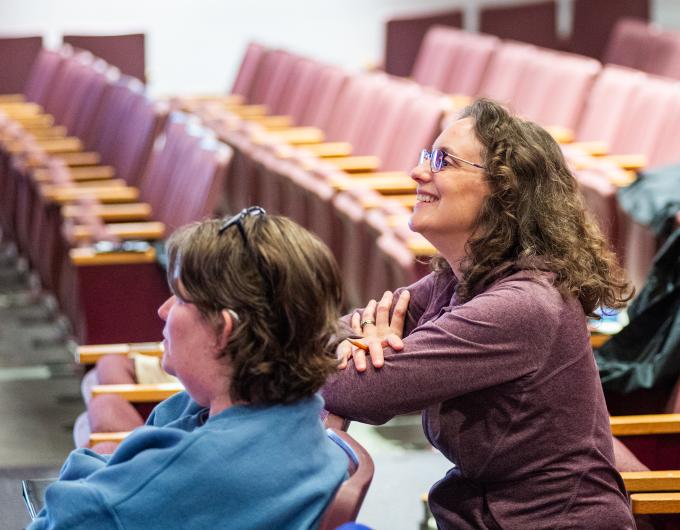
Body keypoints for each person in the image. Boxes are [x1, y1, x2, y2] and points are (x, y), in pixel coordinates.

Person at [323, 99, 636, 529]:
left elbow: (355, 392)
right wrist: (358, 344)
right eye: (425, 157)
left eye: (442, 161)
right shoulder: (458, 280)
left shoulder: (520, 306)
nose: (418, 173)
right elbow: (335, 333)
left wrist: (364, 354)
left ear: (504, 191)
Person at [30, 209, 349, 530]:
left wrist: (85, 463)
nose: (163, 310)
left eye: (181, 299)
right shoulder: (298, 417)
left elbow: (57, 521)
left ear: (225, 331)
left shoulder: (198, 468)